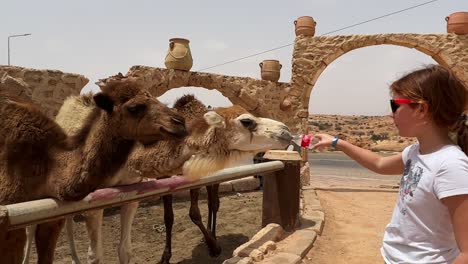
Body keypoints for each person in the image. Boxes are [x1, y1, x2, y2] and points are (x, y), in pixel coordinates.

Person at [311, 65, 468, 264]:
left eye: (395, 106)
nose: (390, 114)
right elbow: (379, 163)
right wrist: (337, 142)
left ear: (421, 109)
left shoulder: (451, 165)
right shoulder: (415, 152)